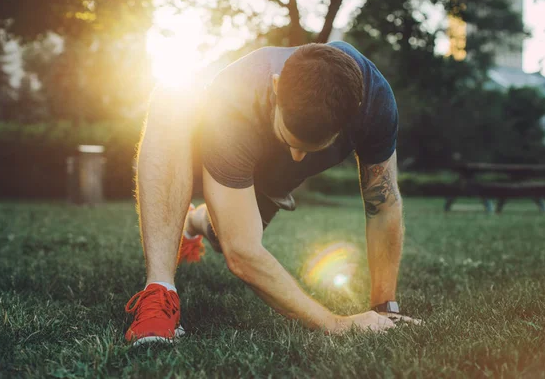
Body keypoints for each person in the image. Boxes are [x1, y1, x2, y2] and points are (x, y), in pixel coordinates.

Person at [124, 40, 420, 345]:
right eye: (290, 141)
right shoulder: (234, 101)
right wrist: (334, 323)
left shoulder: (375, 103)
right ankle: (159, 291)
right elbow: (242, 253)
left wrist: (384, 307)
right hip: (211, 144)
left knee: (217, 236)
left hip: (269, 179)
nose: (296, 158)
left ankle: (195, 222)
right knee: (170, 98)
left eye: (309, 150)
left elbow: (382, 204)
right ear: (276, 87)